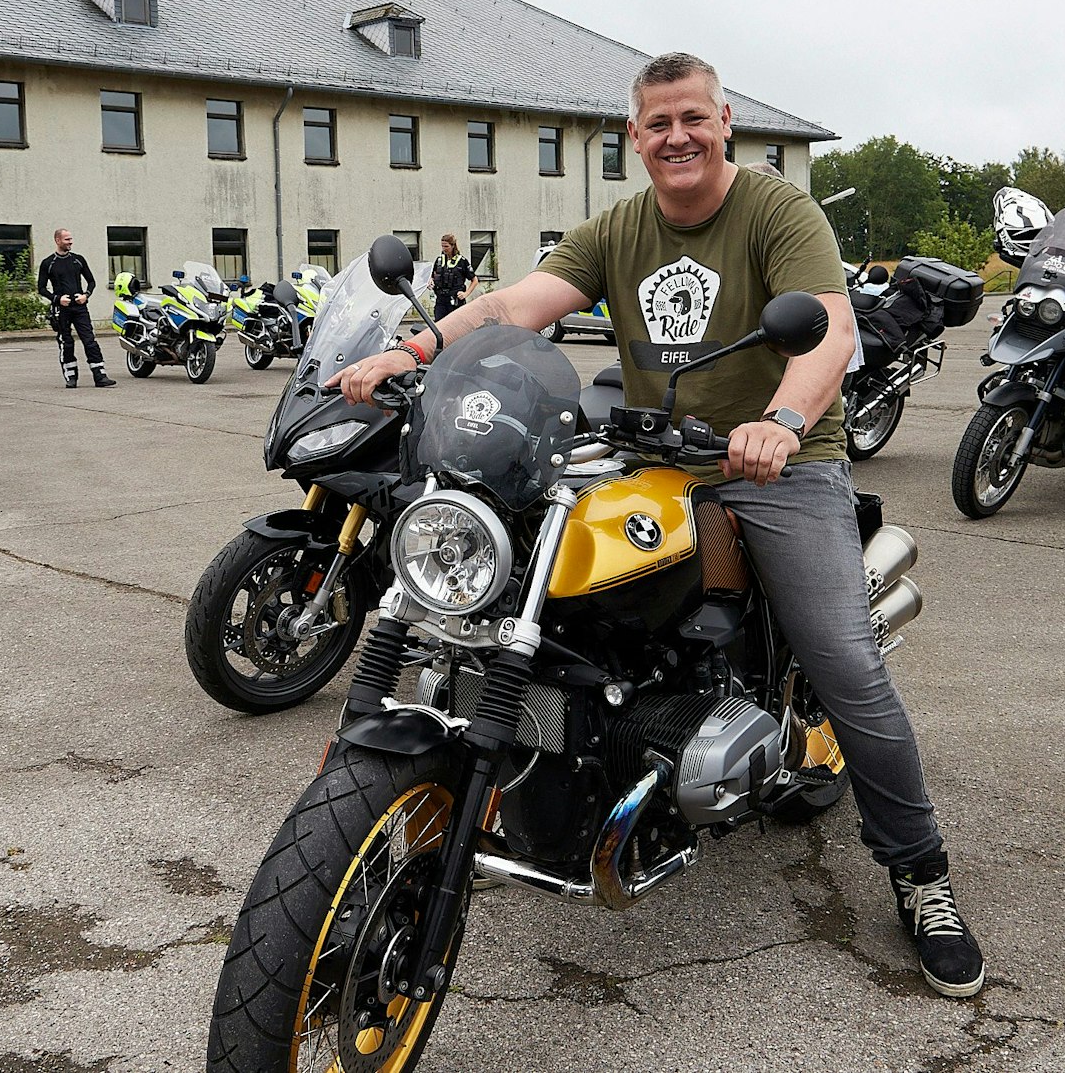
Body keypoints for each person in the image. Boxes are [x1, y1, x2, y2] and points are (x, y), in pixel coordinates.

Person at [331, 52, 985, 999]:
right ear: (634, 137)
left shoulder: (776, 212)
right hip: (652, 454)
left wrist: (785, 421)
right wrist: (417, 349)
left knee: (845, 663)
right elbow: (522, 305)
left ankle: (922, 872)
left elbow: (832, 327)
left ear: (723, 124)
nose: (676, 137)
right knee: (523, 591)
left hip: (778, 462)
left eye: (693, 118)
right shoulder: (619, 227)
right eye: (657, 124)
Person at [36, 228, 115, 388]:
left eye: (71, 239)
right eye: (67, 239)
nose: (70, 242)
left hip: (80, 308)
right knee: (67, 342)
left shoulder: (78, 260)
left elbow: (91, 281)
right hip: (61, 310)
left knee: (89, 340)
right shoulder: (48, 263)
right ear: (58, 241)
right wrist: (57, 299)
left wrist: (86, 295)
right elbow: (41, 288)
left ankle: (100, 376)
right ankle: (71, 377)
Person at [430, 233, 478, 320]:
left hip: (455, 300)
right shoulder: (439, 260)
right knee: (439, 325)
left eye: (446, 246)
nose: (444, 249)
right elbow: (432, 276)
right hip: (441, 300)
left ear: (452, 246)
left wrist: (466, 294)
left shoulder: (462, 261)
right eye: (442, 246)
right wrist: (431, 281)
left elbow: (475, 280)